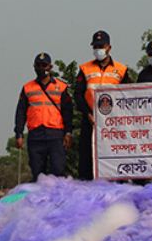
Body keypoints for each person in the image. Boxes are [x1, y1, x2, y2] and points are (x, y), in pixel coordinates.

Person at [74, 30, 131, 180]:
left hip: (113, 123)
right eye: (95, 46)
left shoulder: (121, 69)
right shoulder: (84, 69)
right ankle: (86, 187)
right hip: (90, 120)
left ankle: (116, 185)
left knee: (115, 154)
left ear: (109, 47)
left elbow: (129, 96)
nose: (98, 49)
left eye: (101, 46)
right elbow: (78, 95)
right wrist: (88, 113)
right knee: (86, 156)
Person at [14, 52, 73, 180]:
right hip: (36, 134)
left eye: (44, 65)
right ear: (34, 66)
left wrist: (68, 132)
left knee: (58, 171)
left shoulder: (61, 87)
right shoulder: (27, 88)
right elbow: (21, 112)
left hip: (56, 134)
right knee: (37, 173)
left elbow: (68, 112)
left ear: (50, 67)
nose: (41, 68)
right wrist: (18, 133)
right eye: (38, 65)